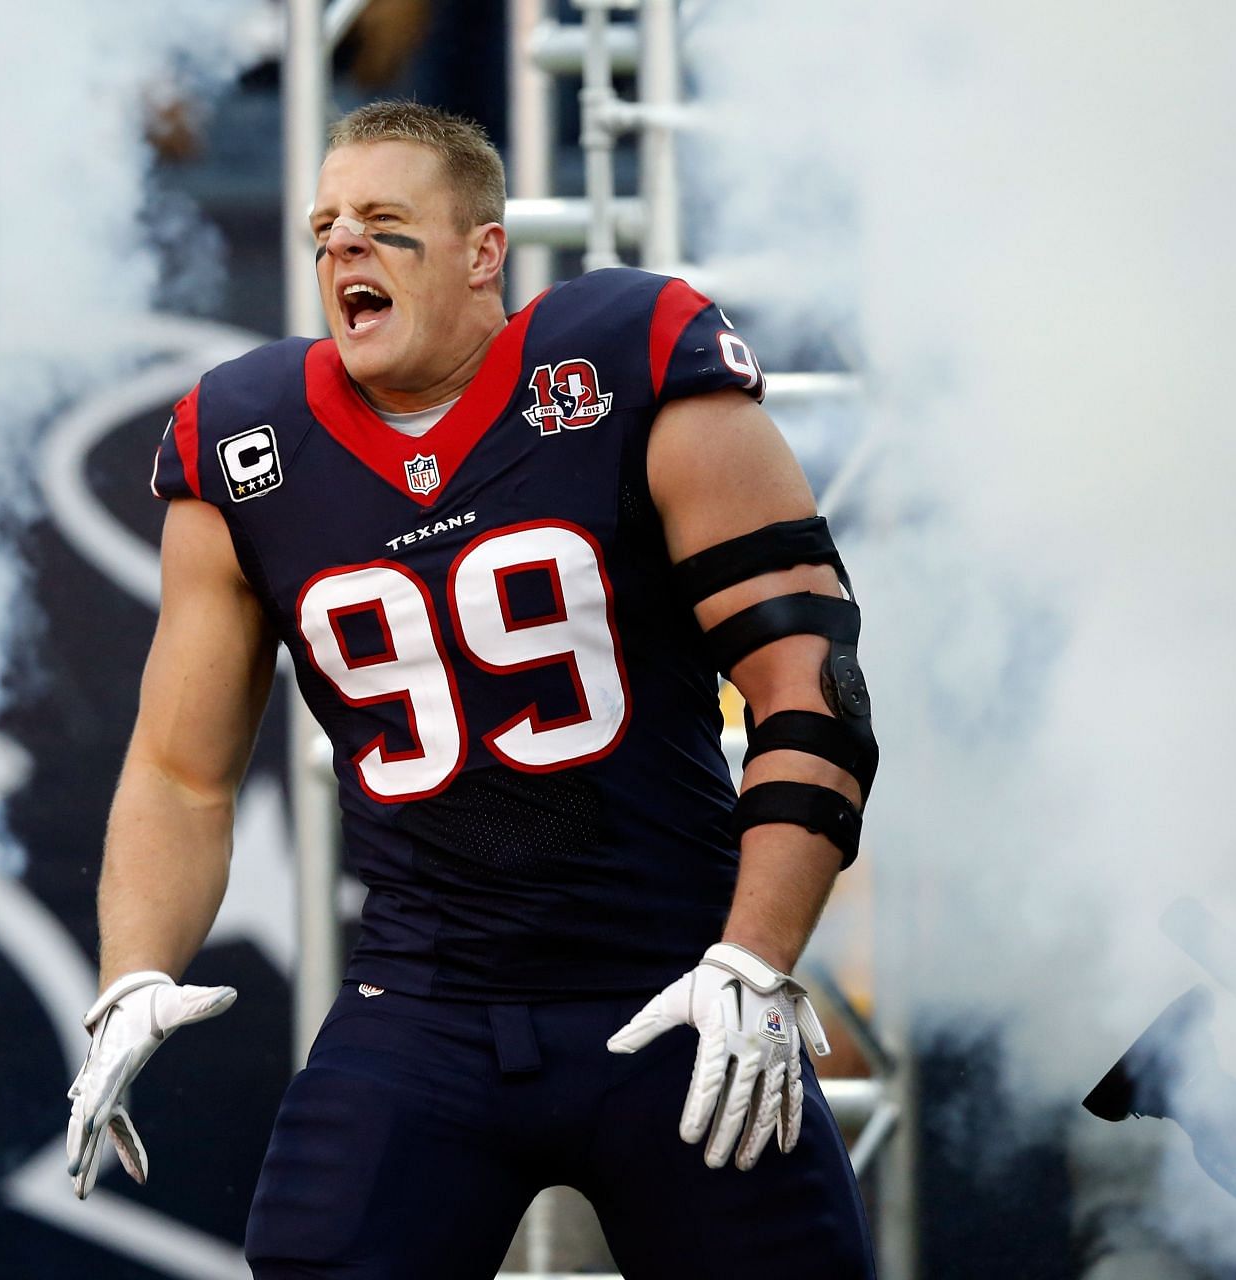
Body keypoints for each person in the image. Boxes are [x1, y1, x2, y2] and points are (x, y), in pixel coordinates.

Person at [65, 100, 877, 1278]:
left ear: (482, 251)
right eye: (325, 225)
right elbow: (181, 771)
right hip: (424, 1003)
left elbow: (812, 681)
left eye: (385, 223)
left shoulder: (624, 359)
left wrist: (755, 955)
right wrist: (133, 971)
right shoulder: (249, 443)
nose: (344, 245)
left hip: (680, 981)